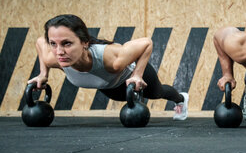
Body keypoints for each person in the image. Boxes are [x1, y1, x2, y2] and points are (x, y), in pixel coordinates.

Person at [28, 14, 189, 120]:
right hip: (109, 86)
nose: (59, 51)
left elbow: (146, 43)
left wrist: (137, 75)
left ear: (85, 42)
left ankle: (181, 99)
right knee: (119, 97)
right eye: (53, 44)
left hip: (130, 75)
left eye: (67, 43)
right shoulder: (53, 58)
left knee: (157, 93)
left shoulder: (112, 59)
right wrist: (43, 73)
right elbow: (40, 42)